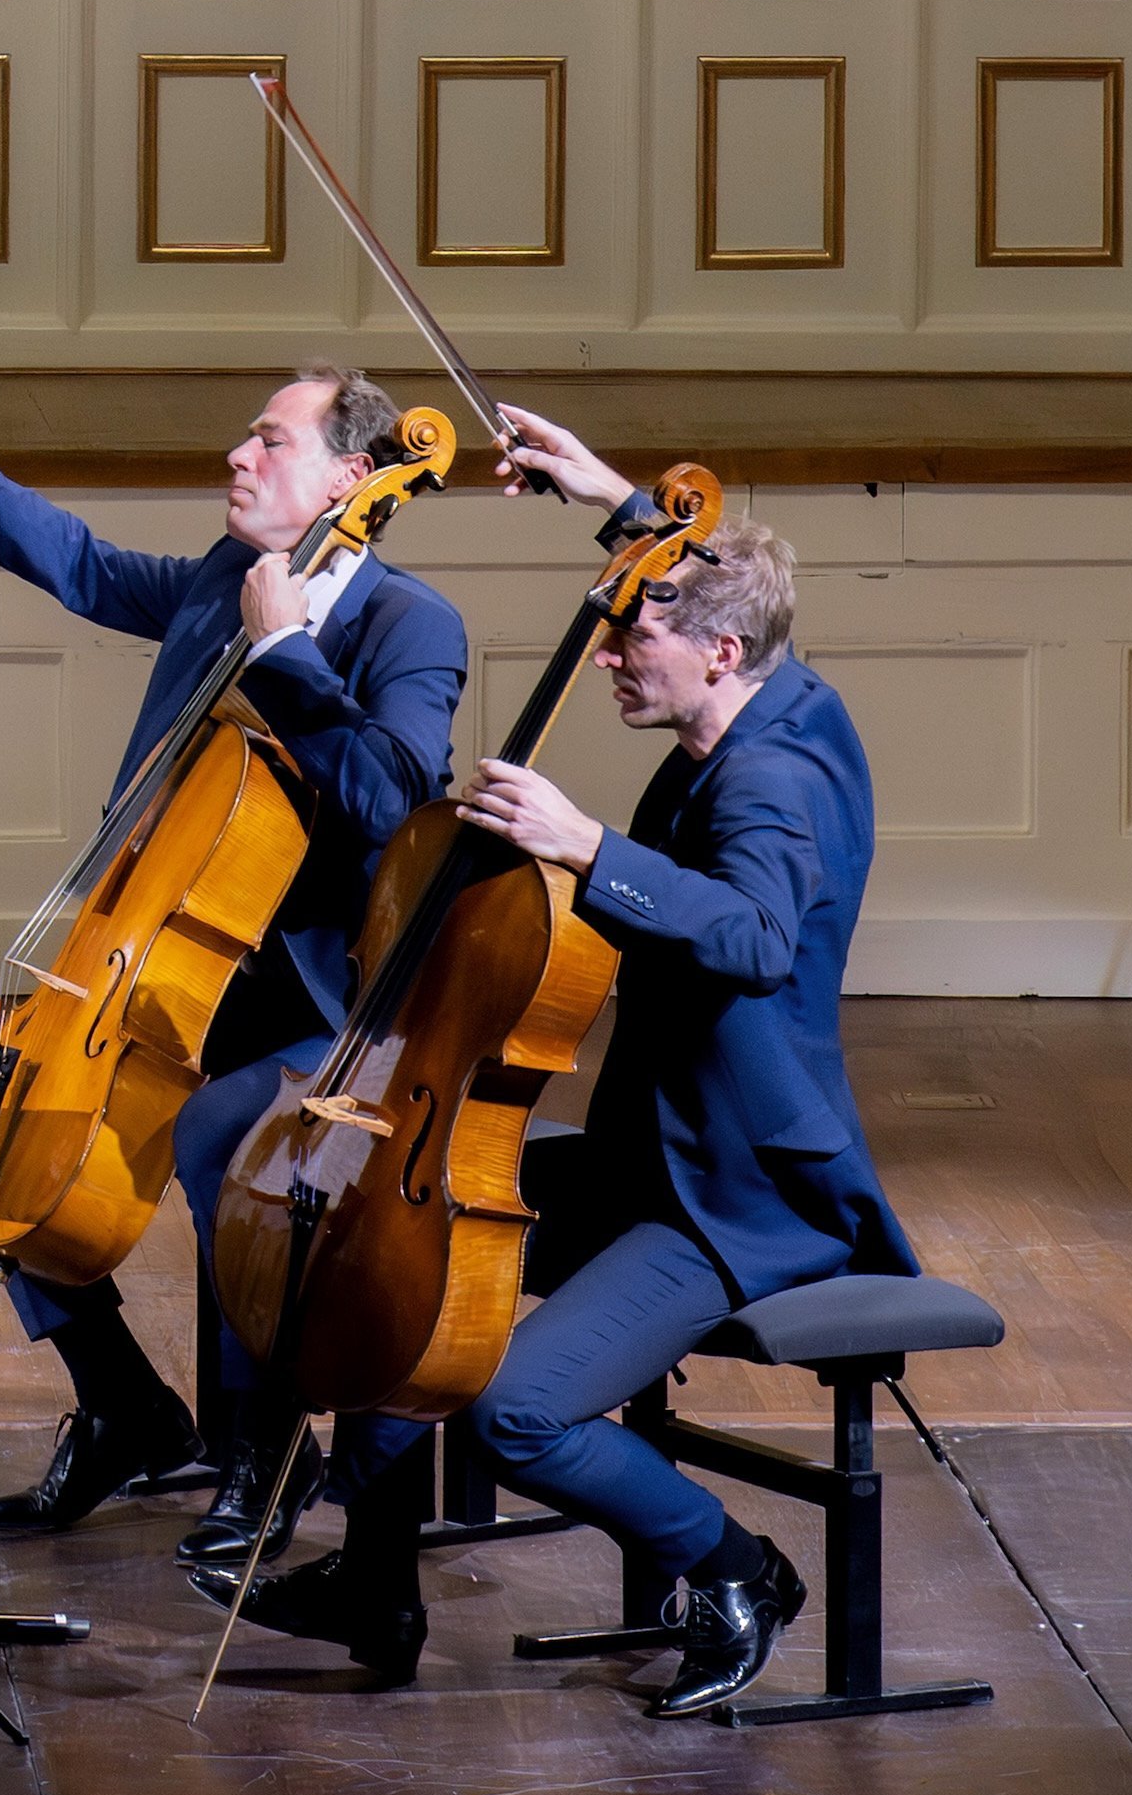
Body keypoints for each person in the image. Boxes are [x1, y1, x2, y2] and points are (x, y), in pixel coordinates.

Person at [223, 414, 900, 1711]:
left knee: (513, 1413)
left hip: (736, 1190)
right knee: (392, 1263)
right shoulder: (782, 695)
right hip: (655, 1149)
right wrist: (616, 498)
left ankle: (737, 1569)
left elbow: (756, 937)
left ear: (717, 653)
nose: (606, 654)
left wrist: (586, 845)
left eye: (631, 637)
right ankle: (376, 1583)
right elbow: (728, 587)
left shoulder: (771, 777)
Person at [0, 363, 466, 1563]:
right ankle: (124, 1404)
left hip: (314, 1004)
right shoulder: (225, 578)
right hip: (159, 981)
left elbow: (393, 797)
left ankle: (265, 1449)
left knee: (224, 1134)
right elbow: (82, 564)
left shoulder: (407, 623)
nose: (238, 455)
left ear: (351, 478)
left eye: (269, 440)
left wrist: (289, 656)